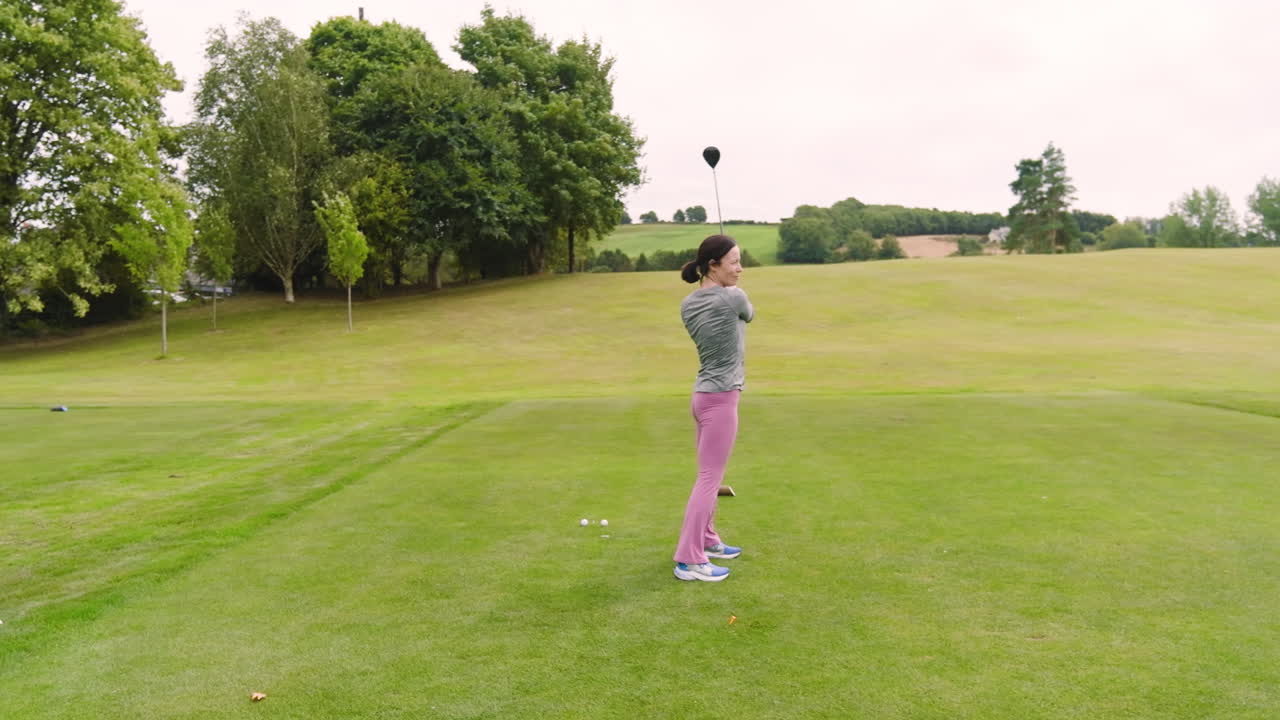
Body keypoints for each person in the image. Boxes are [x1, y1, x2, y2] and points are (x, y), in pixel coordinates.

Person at [673, 235, 753, 582]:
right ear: (713, 265)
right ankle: (689, 560)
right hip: (721, 397)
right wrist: (729, 291)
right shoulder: (734, 297)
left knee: (710, 475)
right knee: (709, 479)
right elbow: (748, 315)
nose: (740, 268)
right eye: (733, 261)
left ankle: (707, 540)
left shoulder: (688, 304)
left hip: (702, 396)